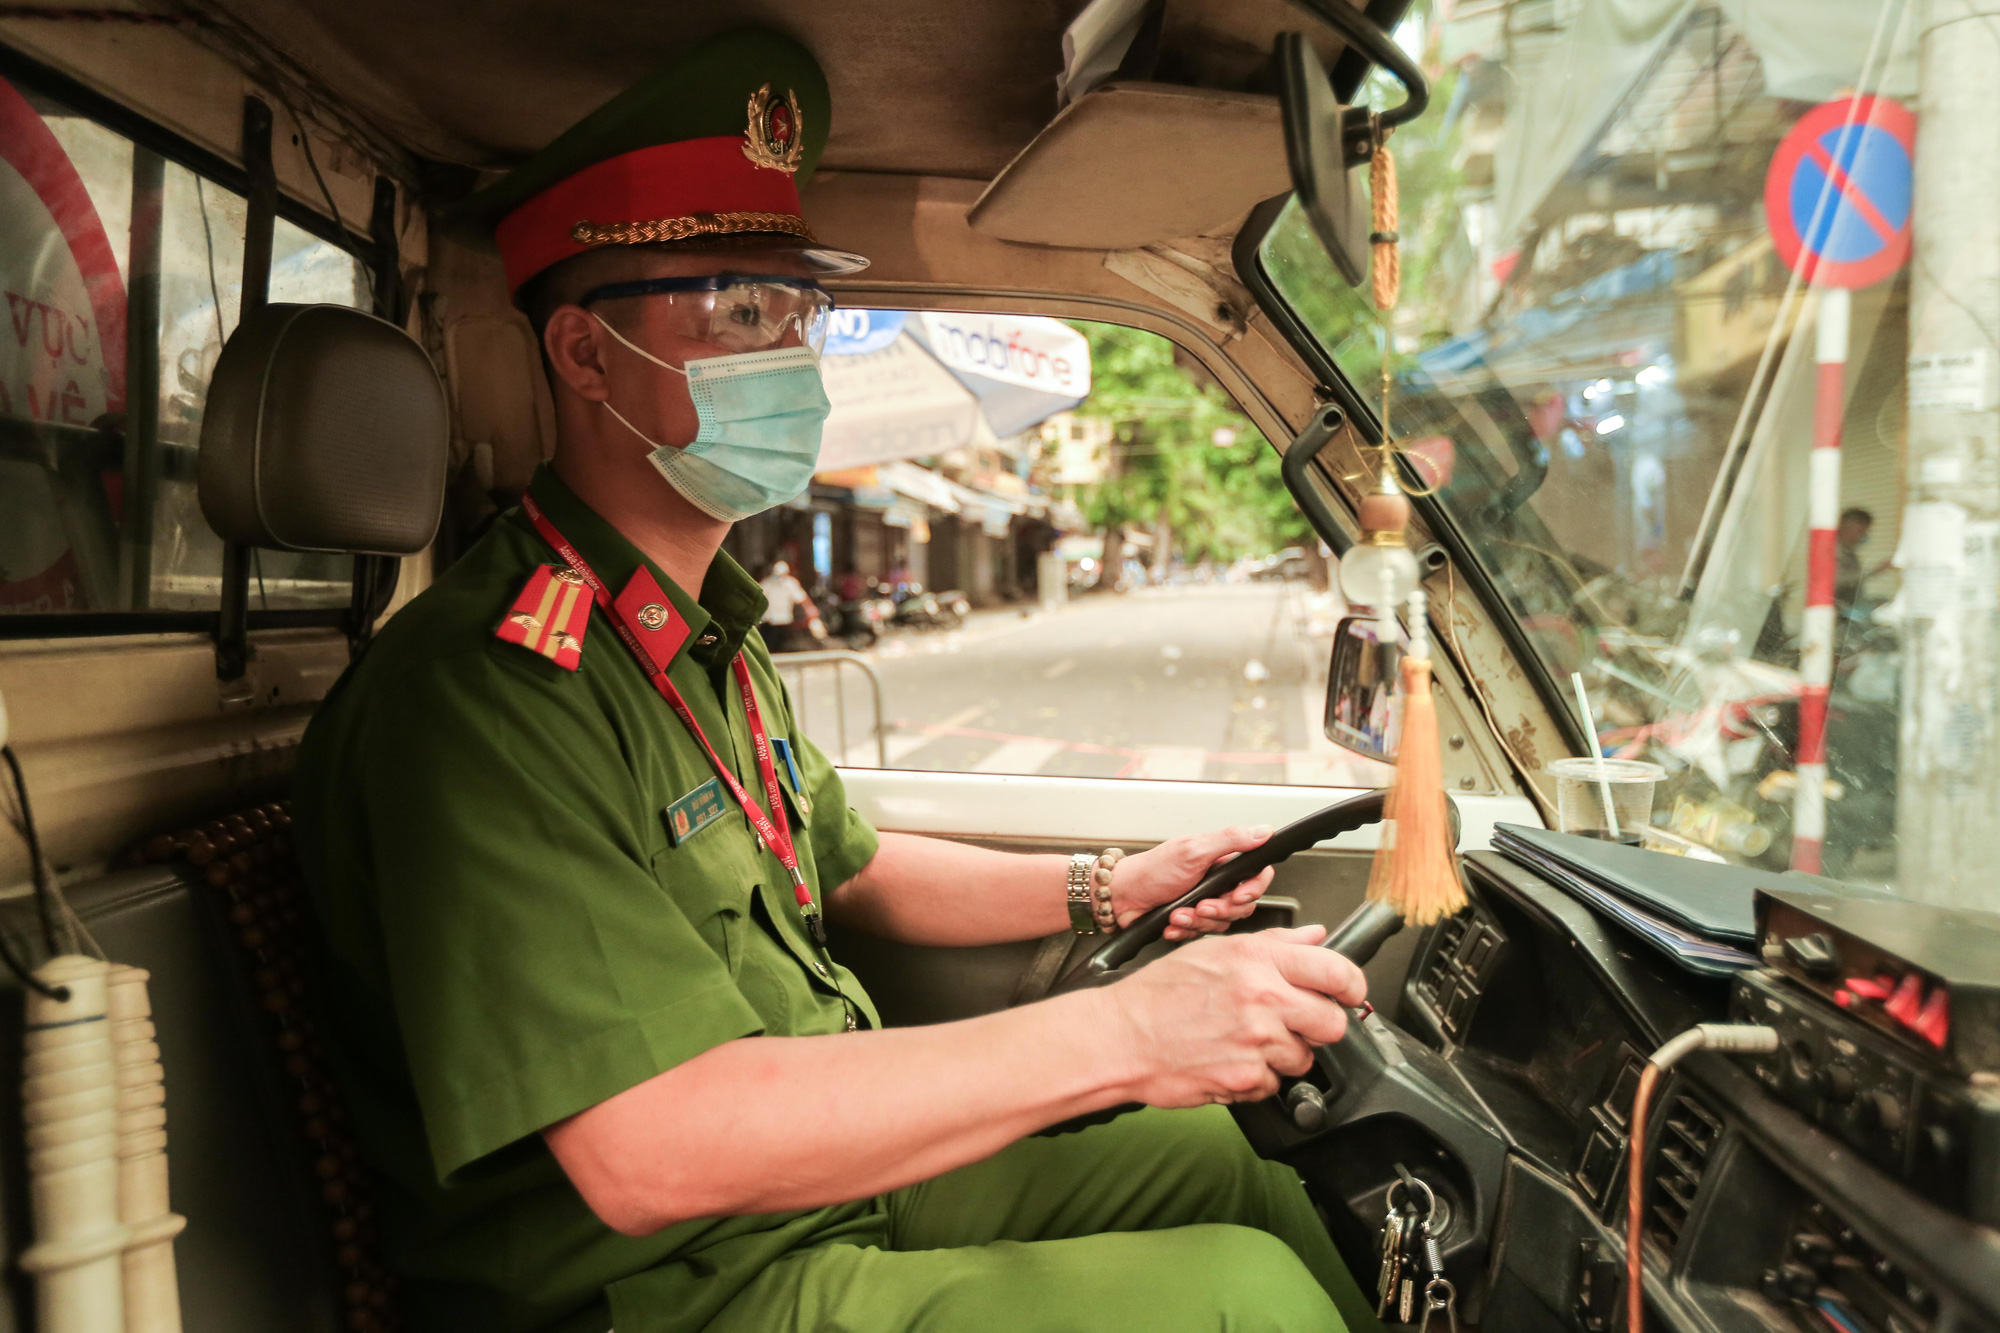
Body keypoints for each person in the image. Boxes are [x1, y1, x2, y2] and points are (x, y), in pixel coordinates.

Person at [292, 30, 1378, 1333]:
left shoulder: (703, 635)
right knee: (1239, 1299)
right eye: (742, 309)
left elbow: (845, 865)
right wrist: (1132, 1034)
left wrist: (1109, 883)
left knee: (1226, 1161)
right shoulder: (491, 694)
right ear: (584, 356)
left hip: (790, 1206)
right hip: (649, 1288)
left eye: (798, 311)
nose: (793, 358)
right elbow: (648, 1153)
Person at [758, 558, 817, 651]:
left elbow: (801, 598)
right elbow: (758, 598)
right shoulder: (767, 583)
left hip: (784, 620)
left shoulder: (790, 584)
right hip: (769, 621)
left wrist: (810, 610)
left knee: (781, 647)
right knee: (769, 646)